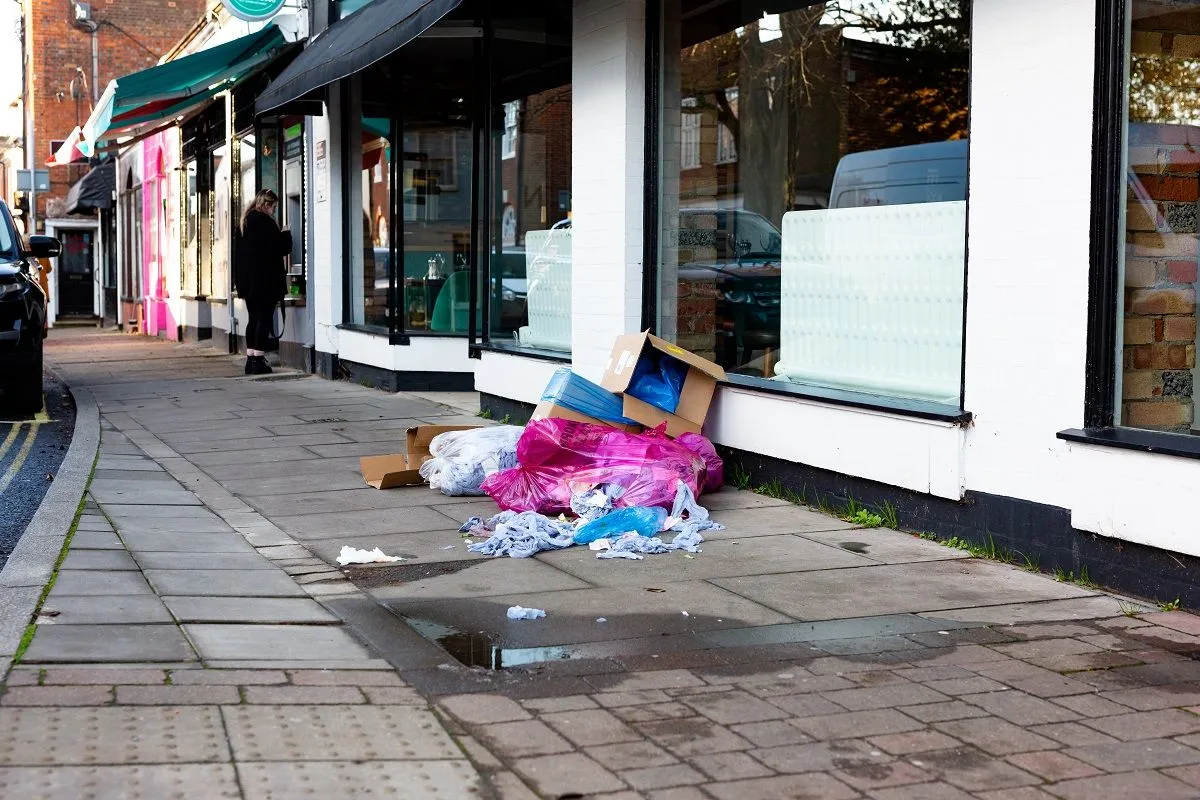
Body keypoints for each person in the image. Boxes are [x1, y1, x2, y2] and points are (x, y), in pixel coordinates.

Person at [236, 189, 291, 375]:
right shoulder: (265, 223)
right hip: (265, 282)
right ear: (266, 205)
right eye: (274, 207)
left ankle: (250, 359)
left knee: (253, 319)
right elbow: (280, 249)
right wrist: (286, 233)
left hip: (248, 283)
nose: (274, 211)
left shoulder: (244, 222)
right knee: (264, 320)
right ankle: (258, 361)